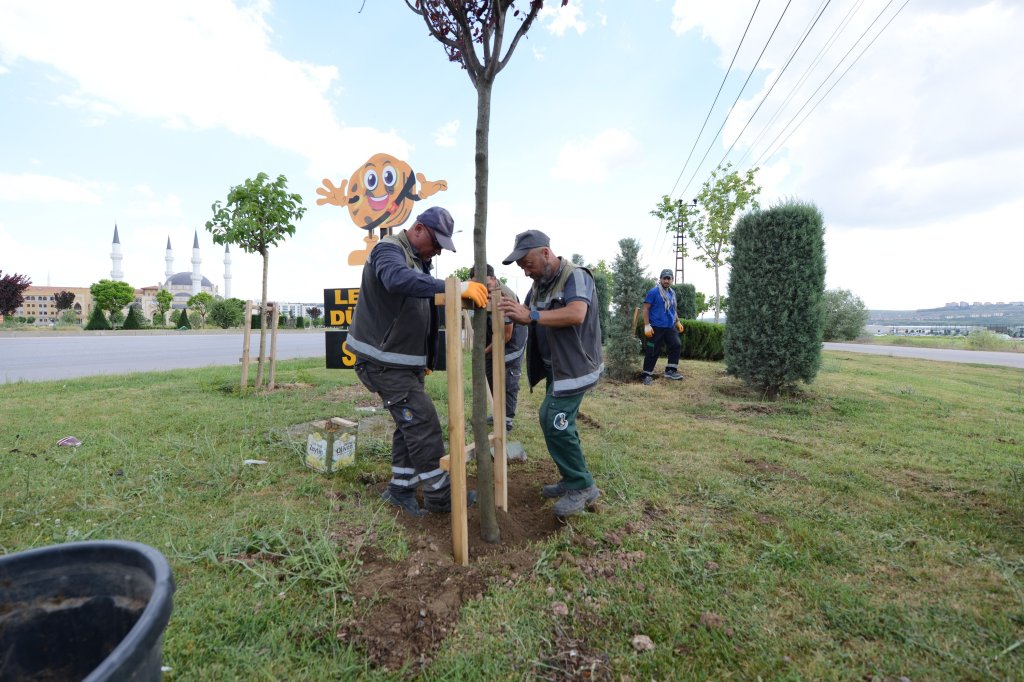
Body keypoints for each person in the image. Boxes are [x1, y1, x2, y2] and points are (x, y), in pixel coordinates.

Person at [347, 206, 488, 516]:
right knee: (423, 424)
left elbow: (424, 315)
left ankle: (400, 489)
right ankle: (441, 496)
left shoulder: (421, 263)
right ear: (419, 228)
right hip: (382, 362)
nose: (437, 252)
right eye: (436, 243)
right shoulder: (388, 250)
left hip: (403, 363)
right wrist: (454, 287)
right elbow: (397, 281)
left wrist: (426, 358)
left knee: (408, 425)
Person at [498, 230, 603, 518]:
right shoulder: (539, 285)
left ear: (545, 253)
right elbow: (526, 312)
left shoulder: (575, 276)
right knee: (558, 420)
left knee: (553, 420)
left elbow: (576, 313)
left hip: (575, 367)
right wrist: (510, 311)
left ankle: (583, 486)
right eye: (519, 264)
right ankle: (572, 478)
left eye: (526, 261)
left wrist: (530, 316)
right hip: (556, 368)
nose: (524, 268)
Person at [469, 263, 528, 434]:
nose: (484, 290)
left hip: (511, 343)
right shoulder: (479, 292)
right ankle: (497, 413)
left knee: (508, 380)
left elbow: (506, 335)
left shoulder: (504, 297)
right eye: (477, 285)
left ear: (494, 279)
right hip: (493, 338)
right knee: (490, 374)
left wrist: (482, 351)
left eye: (486, 285)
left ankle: (507, 421)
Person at [641, 269, 685, 385]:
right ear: (660, 279)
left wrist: (677, 322)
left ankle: (670, 371)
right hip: (655, 327)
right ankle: (646, 375)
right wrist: (646, 325)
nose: (666, 280)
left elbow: (673, 309)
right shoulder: (653, 292)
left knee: (676, 345)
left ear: (672, 280)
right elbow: (645, 308)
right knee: (653, 350)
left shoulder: (672, 293)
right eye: (664, 278)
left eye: (668, 278)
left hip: (669, 326)